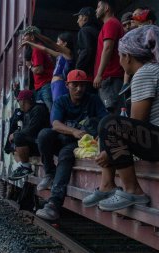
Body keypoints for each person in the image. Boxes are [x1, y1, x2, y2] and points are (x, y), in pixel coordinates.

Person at [82, 25, 159, 211]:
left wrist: (111, 153)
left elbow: (135, 124)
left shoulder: (145, 73)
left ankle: (133, 190)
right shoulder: (151, 70)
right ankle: (107, 185)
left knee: (110, 124)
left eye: (120, 56)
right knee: (106, 125)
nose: (120, 61)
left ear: (127, 56)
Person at [35, 70, 107, 220]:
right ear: (67, 85)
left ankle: (54, 204)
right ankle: (50, 172)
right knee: (44, 135)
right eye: (75, 85)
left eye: (82, 85)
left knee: (66, 155)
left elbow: (105, 120)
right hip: (62, 139)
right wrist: (74, 131)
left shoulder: (93, 100)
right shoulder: (61, 101)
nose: (79, 89)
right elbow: (55, 124)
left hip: (78, 144)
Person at [8, 90, 50, 180]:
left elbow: (32, 130)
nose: (19, 103)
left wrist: (15, 134)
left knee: (18, 137)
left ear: (23, 101)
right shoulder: (28, 112)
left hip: (42, 144)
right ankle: (23, 166)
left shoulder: (38, 109)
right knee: (16, 139)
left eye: (19, 101)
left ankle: (26, 168)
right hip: (36, 142)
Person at [21, 32, 75, 101]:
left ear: (65, 44)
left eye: (58, 41)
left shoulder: (68, 53)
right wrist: (30, 43)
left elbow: (50, 43)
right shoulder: (59, 55)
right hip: (55, 85)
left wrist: (37, 35)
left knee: (58, 107)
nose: (56, 43)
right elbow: (44, 49)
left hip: (60, 85)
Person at [94, 0, 125, 114]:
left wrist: (99, 74)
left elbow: (107, 48)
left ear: (106, 7)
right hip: (111, 78)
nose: (96, 10)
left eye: (98, 7)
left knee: (112, 117)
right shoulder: (113, 23)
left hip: (110, 78)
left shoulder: (110, 23)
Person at [20, 26, 54, 111]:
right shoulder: (38, 48)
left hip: (45, 86)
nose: (23, 38)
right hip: (44, 86)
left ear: (32, 37)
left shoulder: (36, 50)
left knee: (52, 113)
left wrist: (30, 66)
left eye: (25, 35)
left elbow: (39, 70)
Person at [73, 7, 100, 92]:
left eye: (79, 17)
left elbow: (86, 51)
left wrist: (78, 70)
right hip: (98, 73)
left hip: (88, 76)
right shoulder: (98, 30)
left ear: (85, 17)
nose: (77, 21)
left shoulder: (84, 31)